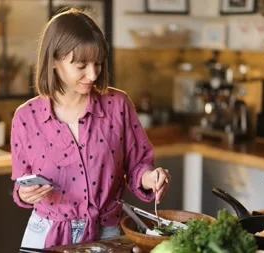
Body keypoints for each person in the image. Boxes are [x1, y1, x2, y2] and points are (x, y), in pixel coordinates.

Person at [10, 9, 172, 249]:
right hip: (46, 236)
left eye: (97, 64)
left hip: (107, 235)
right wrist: (24, 195)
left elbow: (138, 164)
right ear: (54, 60)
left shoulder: (117, 106)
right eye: (81, 65)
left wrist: (151, 177)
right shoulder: (26, 118)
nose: (93, 73)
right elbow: (21, 184)